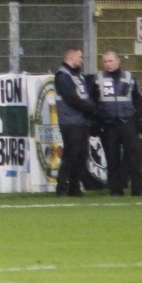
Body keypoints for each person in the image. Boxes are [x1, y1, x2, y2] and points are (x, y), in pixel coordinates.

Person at [91, 51, 142, 196]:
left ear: (118, 61)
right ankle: (116, 189)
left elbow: (139, 99)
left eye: (110, 61)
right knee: (112, 158)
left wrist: (141, 118)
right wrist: (95, 122)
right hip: (108, 123)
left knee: (134, 156)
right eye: (105, 62)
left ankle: (138, 188)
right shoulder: (98, 79)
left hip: (128, 122)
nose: (107, 64)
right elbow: (93, 102)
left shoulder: (130, 77)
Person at [52, 47, 97, 197]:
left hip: (81, 121)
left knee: (82, 155)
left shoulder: (78, 76)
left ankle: (75, 187)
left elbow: (85, 96)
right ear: (71, 58)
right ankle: (62, 187)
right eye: (80, 57)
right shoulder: (62, 76)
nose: (82, 60)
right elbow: (71, 98)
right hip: (70, 122)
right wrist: (90, 109)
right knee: (71, 154)